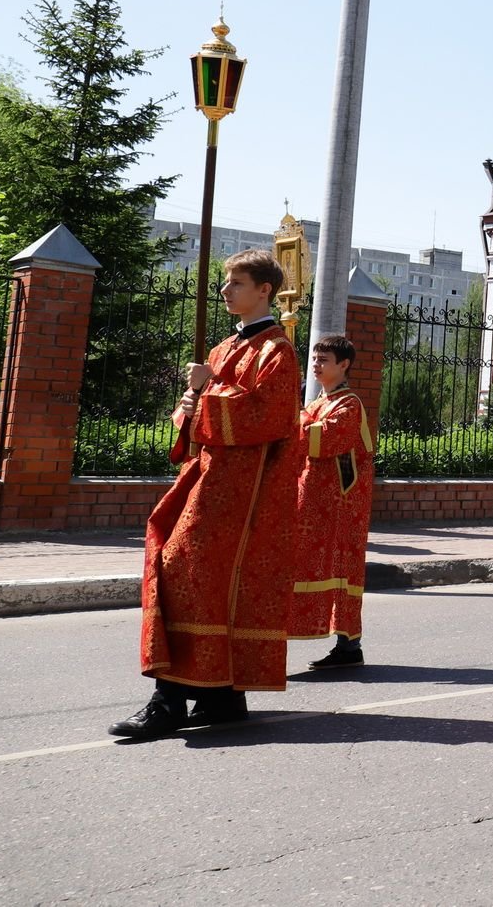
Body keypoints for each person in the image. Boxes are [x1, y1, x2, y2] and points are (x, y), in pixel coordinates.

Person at [110, 251, 304, 740]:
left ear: (264, 289)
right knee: (198, 579)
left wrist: (210, 389)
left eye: (236, 283)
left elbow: (270, 417)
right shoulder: (221, 348)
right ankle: (221, 695)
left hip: (242, 494)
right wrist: (188, 405)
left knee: (182, 572)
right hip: (207, 479)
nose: (224, 291)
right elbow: (194, 419)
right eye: (224, 282)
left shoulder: (276, 351)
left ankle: (168, 701)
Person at [288, 334, 375, 670]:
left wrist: (294, 419)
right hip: (312, 501)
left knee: (340, 570)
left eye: (323, 360)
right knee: (305, 565)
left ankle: (349, 645)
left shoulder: (348, 404)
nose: (316, 364)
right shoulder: (316, 404)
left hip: (340, 507)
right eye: (314, 358)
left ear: (344, 365)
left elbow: (324, 440)